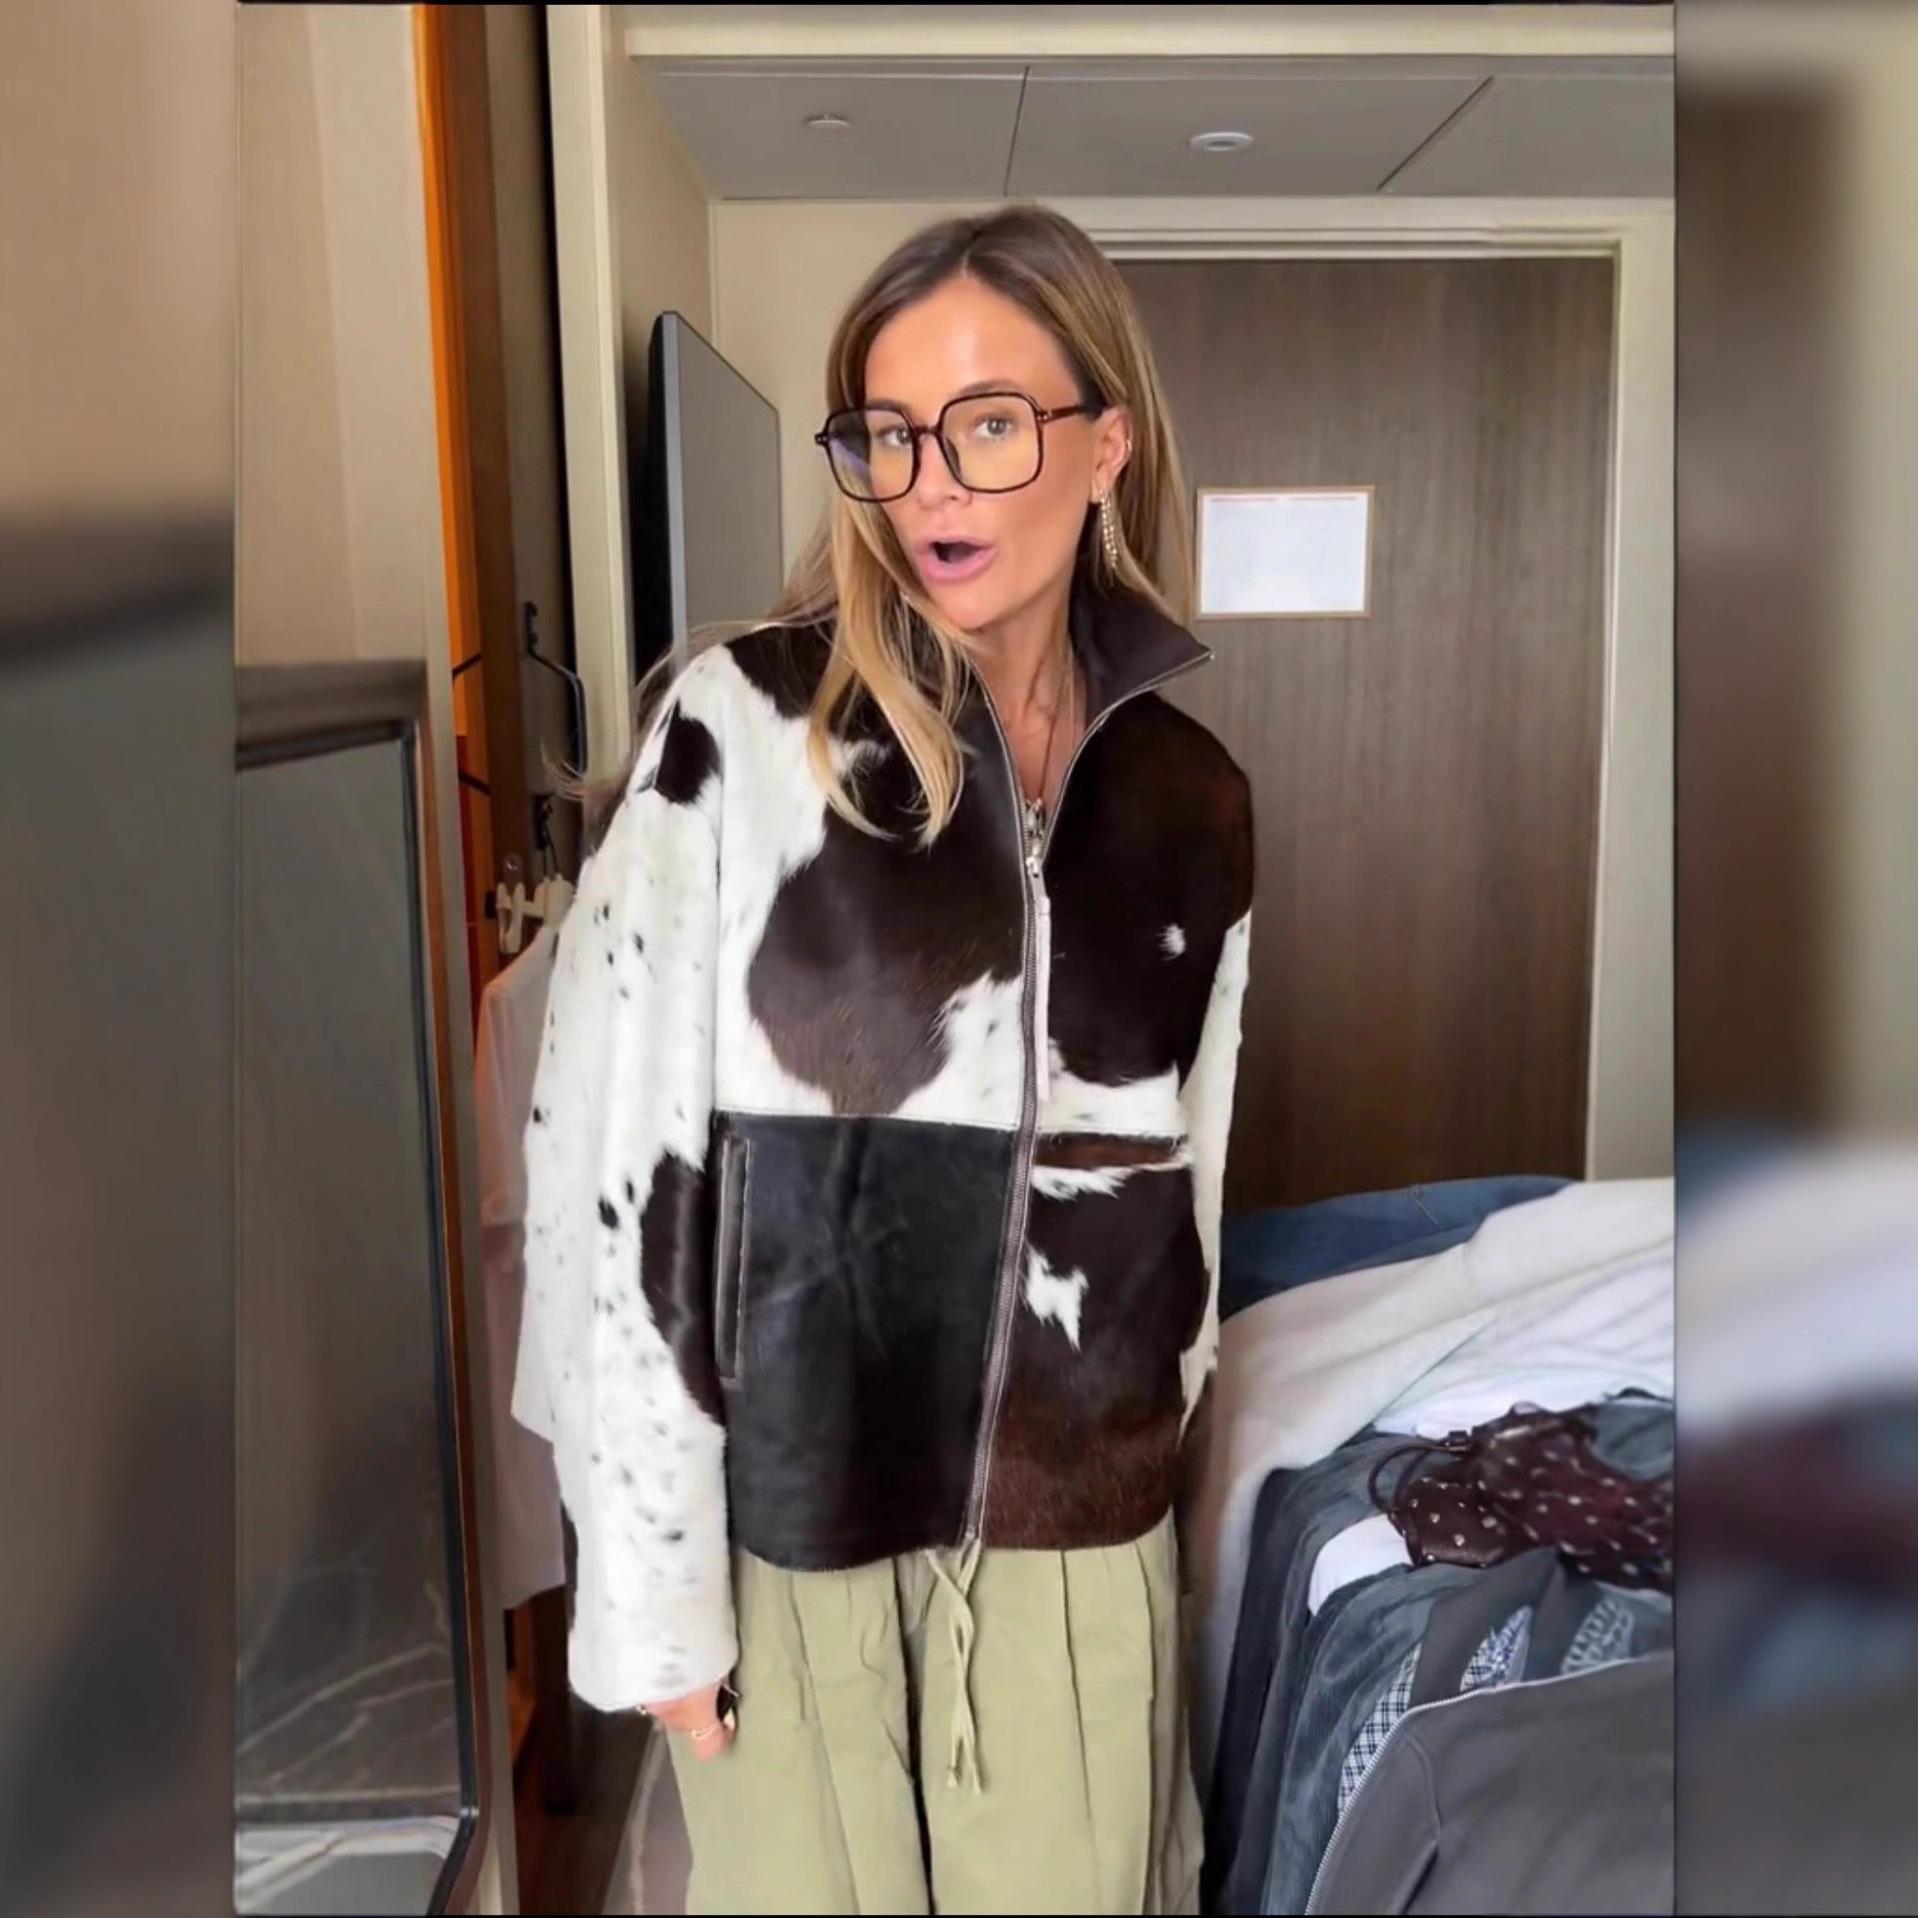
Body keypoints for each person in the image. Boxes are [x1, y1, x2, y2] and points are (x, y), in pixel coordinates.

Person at [515, 203, 1253, 1915]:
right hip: (800, 1515)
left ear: (1105, 444)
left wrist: (1156, 1459)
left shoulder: (1190, 797)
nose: (930, 484)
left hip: (1076, 1522)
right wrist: (651, 1588)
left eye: (988, 423)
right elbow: (601, 1170)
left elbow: (1192, 1171)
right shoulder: (741, 732)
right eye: (889, 432)